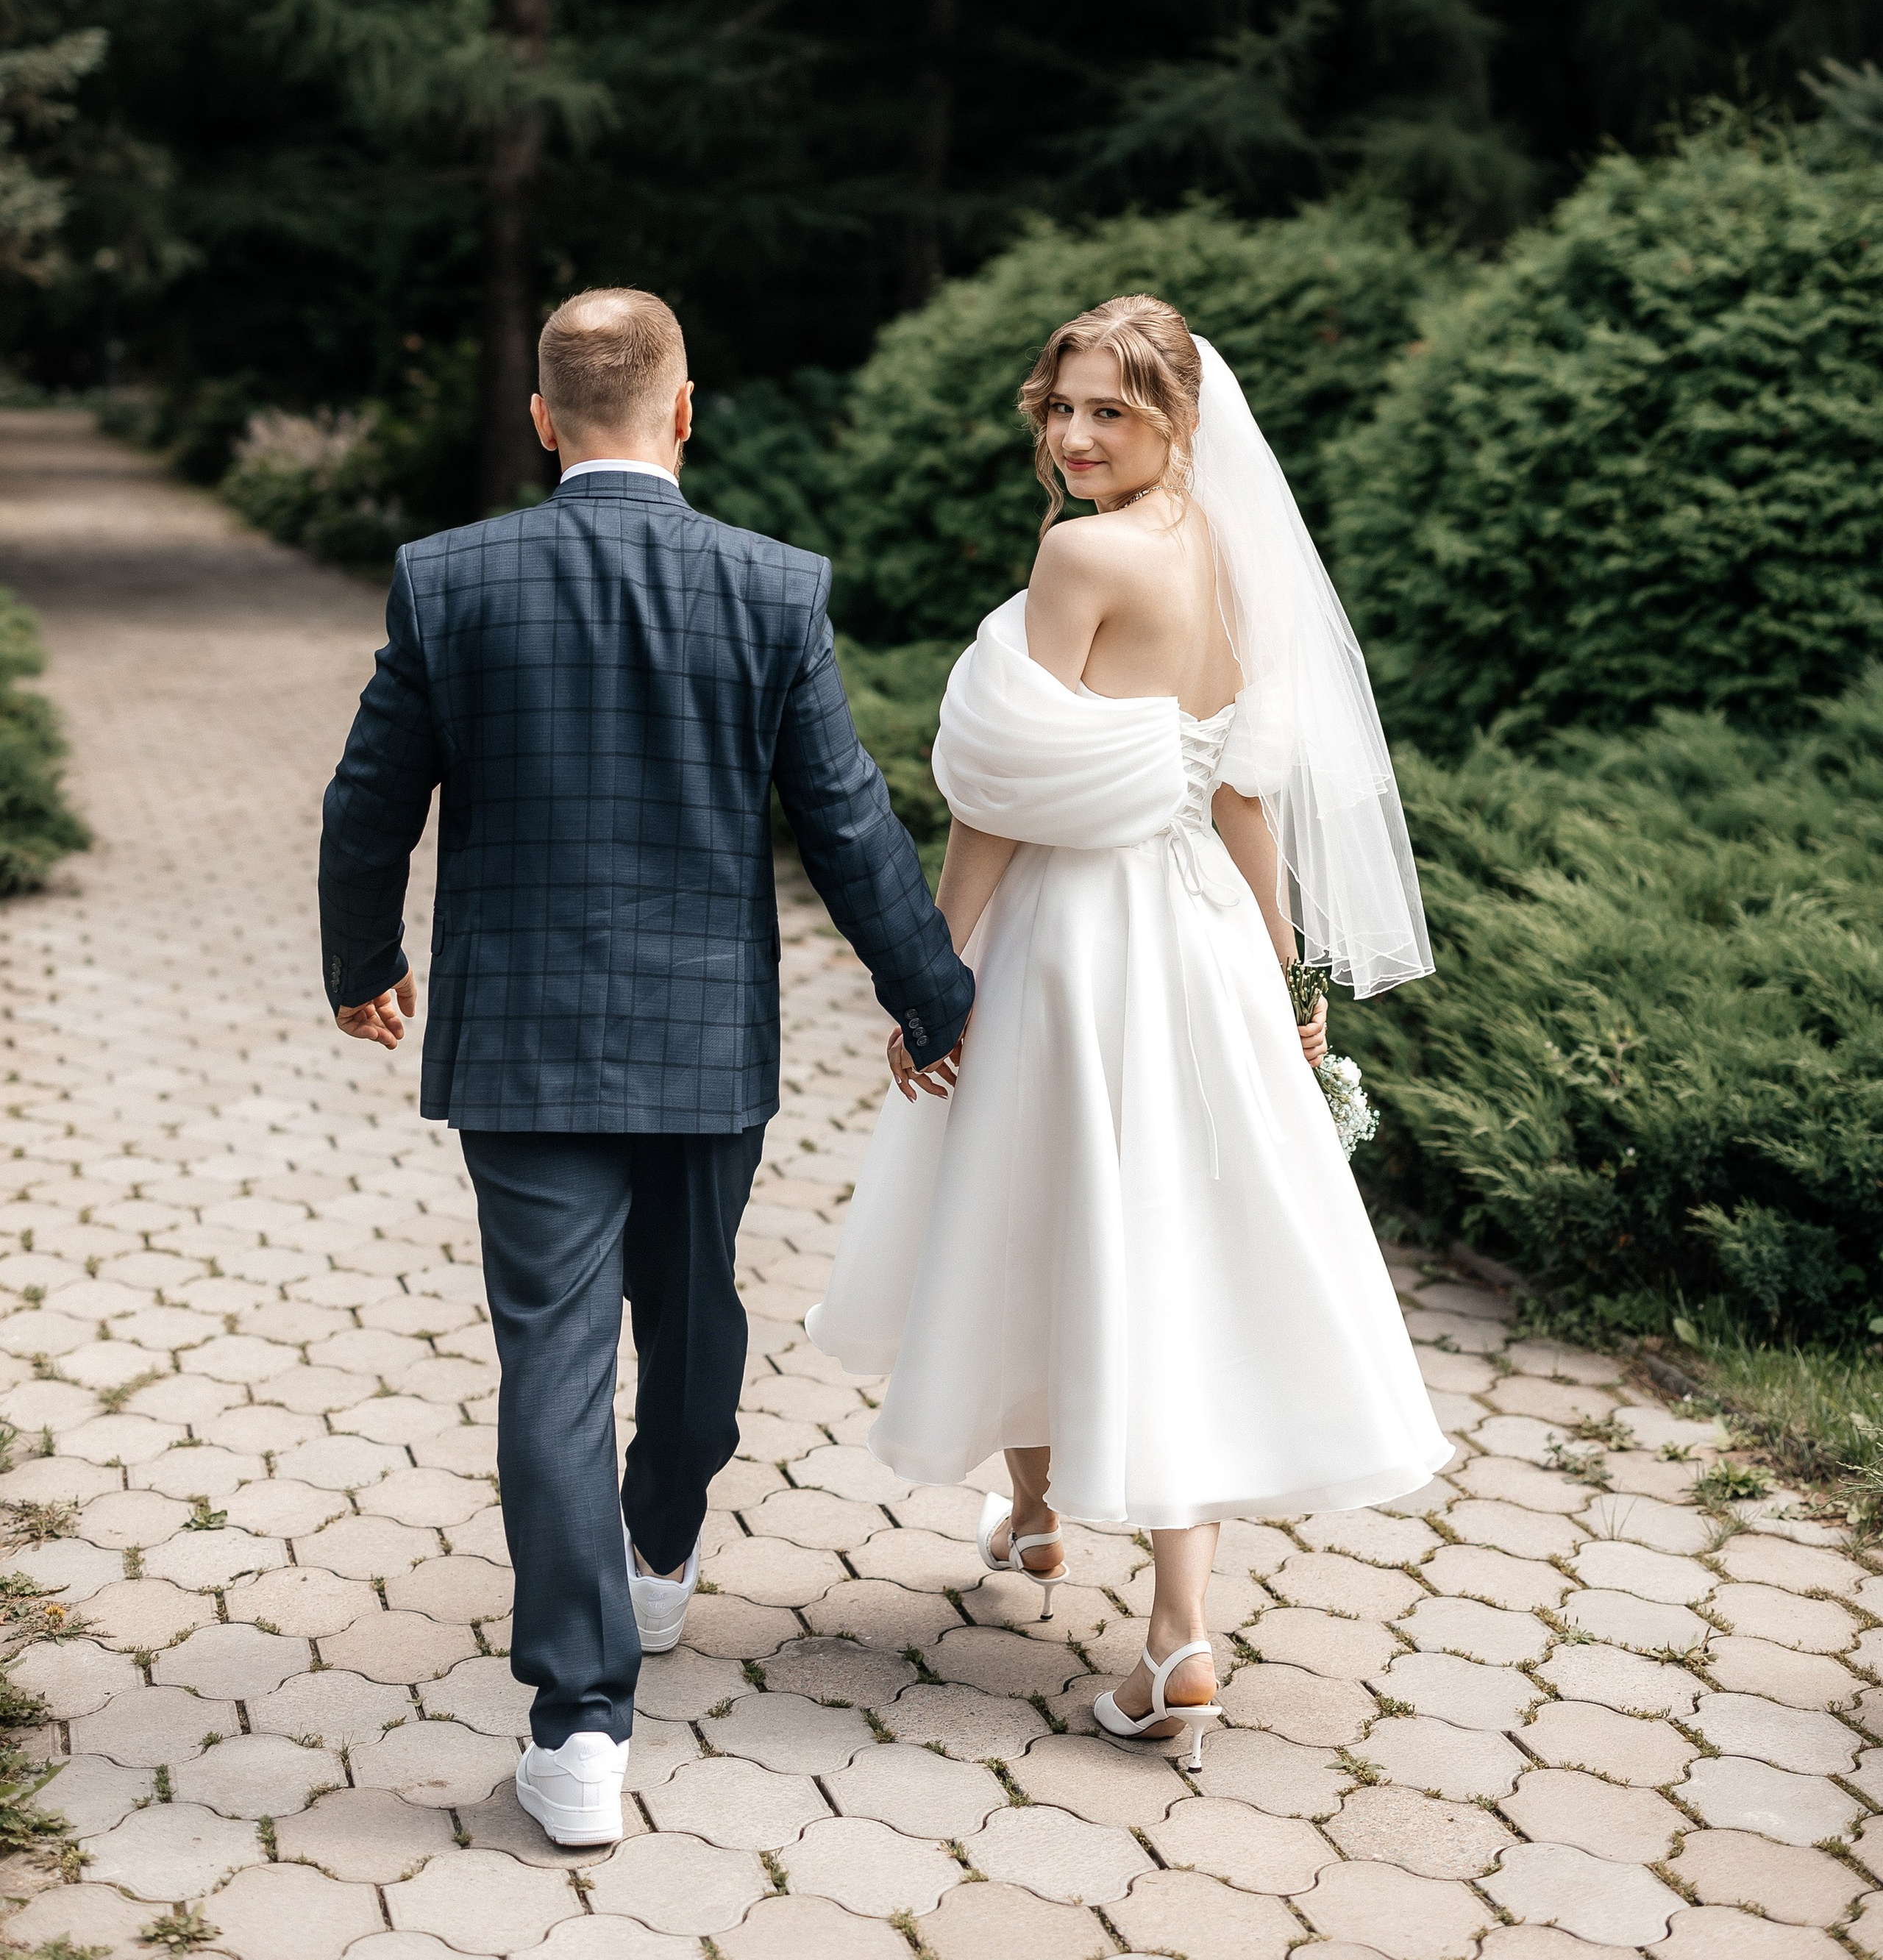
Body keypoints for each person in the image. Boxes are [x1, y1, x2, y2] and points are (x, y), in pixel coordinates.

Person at [317, 287, 973, 1847]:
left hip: (520, 1045)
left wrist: (364, 966)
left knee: (550, 1366)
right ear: (685, 410)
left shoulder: (449, 577)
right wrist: (936, 1000)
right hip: (701, 1043)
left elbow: (364, 802)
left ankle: (577, 1729)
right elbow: (847, 819)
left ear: (543, 418)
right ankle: (659, 1546)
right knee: (692, 1326)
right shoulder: (767, 586)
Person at [808, 293, 1450, 1768]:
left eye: (1111, 408)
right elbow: (1239, 796)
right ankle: (1169, 1617)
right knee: (1162, 1239)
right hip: (1202, 940)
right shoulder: (1231, 554)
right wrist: (1286, 981)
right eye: (1061, 405)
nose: (1076, 434)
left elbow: (999, 798)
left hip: (1076, 941)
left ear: (1177, 418)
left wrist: (935, 968)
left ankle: (1062, 1535)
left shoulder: (1075, 554)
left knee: (1032, 1212)